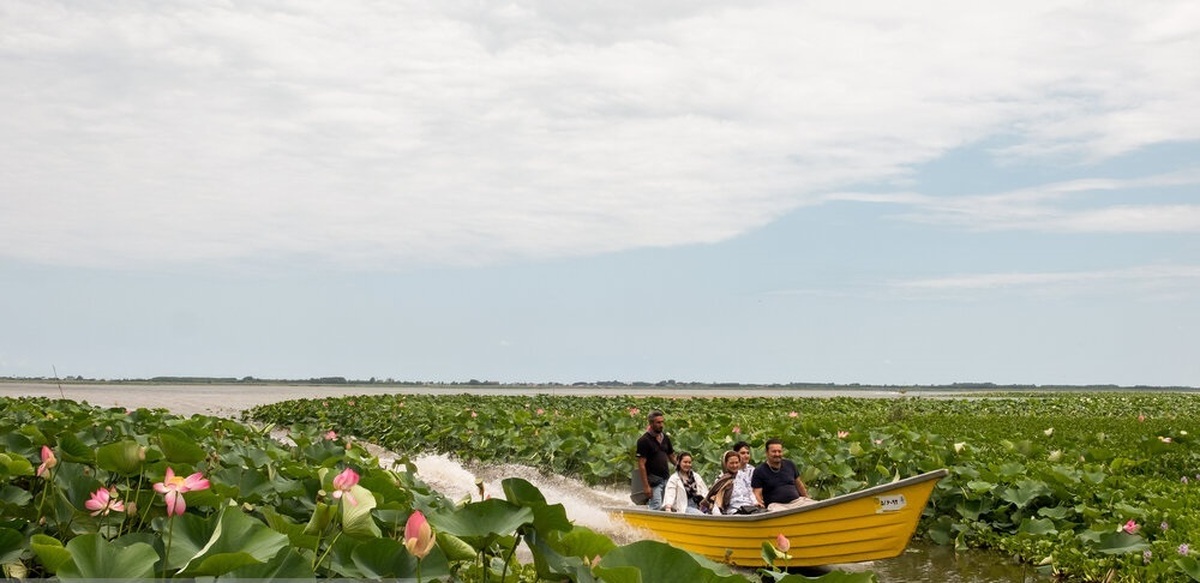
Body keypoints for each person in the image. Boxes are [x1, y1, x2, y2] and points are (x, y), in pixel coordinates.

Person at [751, 438, 816, 511]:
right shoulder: (759, 471)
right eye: (774, 452)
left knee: (817, 506)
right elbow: (757, 494)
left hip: (796, 502)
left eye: (779, 451)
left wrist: (806, 498)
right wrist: (761, 507)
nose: (777, 454)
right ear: (767, 453)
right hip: (776, 505)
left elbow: (799, 485)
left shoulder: (790, 464)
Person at [636, 410, 676, 510]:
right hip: (654, 481)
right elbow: (641, 464)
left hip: (666, 478)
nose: (661, 425)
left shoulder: (665, 438)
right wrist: (646, 486)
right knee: (656, 505)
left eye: (662, 422)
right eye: (658, 422)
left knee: (669, 504)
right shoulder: (644, 440)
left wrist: (683, 467)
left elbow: (671, 456)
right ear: (651, 423)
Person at [727, 440, 764, 514]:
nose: (746, 455)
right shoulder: (726, 474)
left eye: (748, 453)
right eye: (743, 453)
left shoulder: (753, 470)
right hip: (735, 504)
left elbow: (756, 490)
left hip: (752, 500)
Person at [703, 450, 742, 515]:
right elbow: (714, 499)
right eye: (731, 463)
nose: (735, 465)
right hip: (732, 510)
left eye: (736, 462)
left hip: (748, 505)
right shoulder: (720, 480)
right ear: (725, 464)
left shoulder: (744, 476)